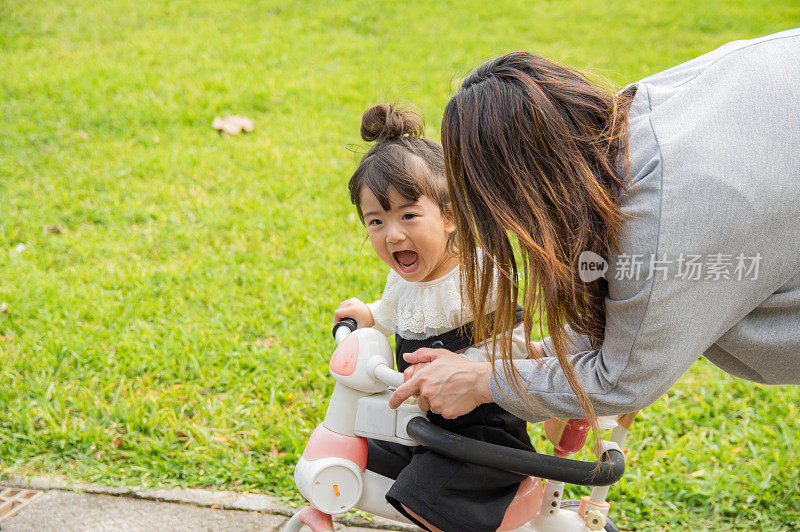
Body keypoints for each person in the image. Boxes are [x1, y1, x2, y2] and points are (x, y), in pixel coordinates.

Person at [389, 29, 800, 434]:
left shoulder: (659, 217)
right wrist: (531, 358)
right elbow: (627, 315)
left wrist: (481, 383)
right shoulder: (629, 124)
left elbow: (622, 378)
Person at [334, 103, 534, 532]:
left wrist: (474, 368)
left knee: (424, 501)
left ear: (449, 217)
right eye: (376, 221)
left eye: (408, 215)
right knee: (360, 452)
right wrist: (368, 316)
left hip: (481, 436)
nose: (393, 234)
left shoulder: (480, 275)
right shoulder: (401, 278)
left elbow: (518, 342)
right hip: (425, 427)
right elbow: (397, 313)